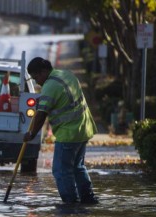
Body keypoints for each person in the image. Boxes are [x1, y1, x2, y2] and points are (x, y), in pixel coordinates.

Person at [23, 57, 99, 204]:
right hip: (83, 129)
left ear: (44, 71)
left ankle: (70, 204)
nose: (36, 81)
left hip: (68, 134)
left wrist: (31, 134)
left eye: (37, 76)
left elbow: (41, 115)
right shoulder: (66, 75)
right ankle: (88, 199)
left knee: (61, 171)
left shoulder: (50, 86)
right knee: (78, 167)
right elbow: (61, 99)